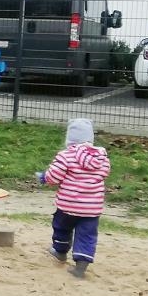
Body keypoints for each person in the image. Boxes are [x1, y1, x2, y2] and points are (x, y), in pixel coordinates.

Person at [38, 118, 111, 278]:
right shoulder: (102, 158)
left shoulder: (66, 156)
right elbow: (105, 173)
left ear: (69, 139)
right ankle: (81, 266)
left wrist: (44, 177)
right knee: (87, 235)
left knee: (62, 227)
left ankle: (60, 251)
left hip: (68, 205)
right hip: (92, 208)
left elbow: (54, 176)